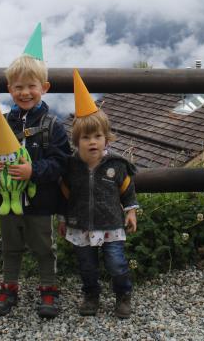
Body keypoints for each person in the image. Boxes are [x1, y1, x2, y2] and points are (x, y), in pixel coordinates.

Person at [0, 30, 71, 319]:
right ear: (9, 88)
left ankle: (49, 289)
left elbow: (61, 162)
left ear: (45, 87)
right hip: (7, 201)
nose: (24, 92)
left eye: (31, 86)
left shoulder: (53, 126)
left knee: (44, 247)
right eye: (18, 87)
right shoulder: (2, 123)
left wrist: (33, 171)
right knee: (11, 246)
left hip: (41, 201)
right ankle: (9, 287)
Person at [58, 69, 138, 319]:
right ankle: (91, 295)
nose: (93, 142)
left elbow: (127, 189)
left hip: (111, 225)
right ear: (76, 140)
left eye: (98, 136)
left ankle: (123, 295)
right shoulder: (70, 167)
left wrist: (131, 210)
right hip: (80, 226)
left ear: (106, 138)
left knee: (116, 263)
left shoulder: (116, 165)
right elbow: (65, 195)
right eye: (86, 137)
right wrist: (62, 219)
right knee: (87, 266)